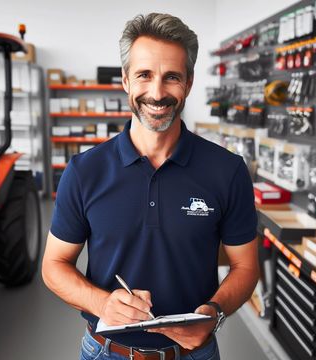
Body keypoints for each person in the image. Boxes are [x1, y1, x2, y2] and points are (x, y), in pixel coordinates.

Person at [42, 12, 259, 360]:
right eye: (144, 75)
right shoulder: (85, 171)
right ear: (126, 80)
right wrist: (104, 303)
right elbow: (54, 265)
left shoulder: (227, 171)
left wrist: (214, 313)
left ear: (188, 83)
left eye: (171, 77)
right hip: (105, 351)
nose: (157, 93)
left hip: (194, 354)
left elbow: (246, 267)